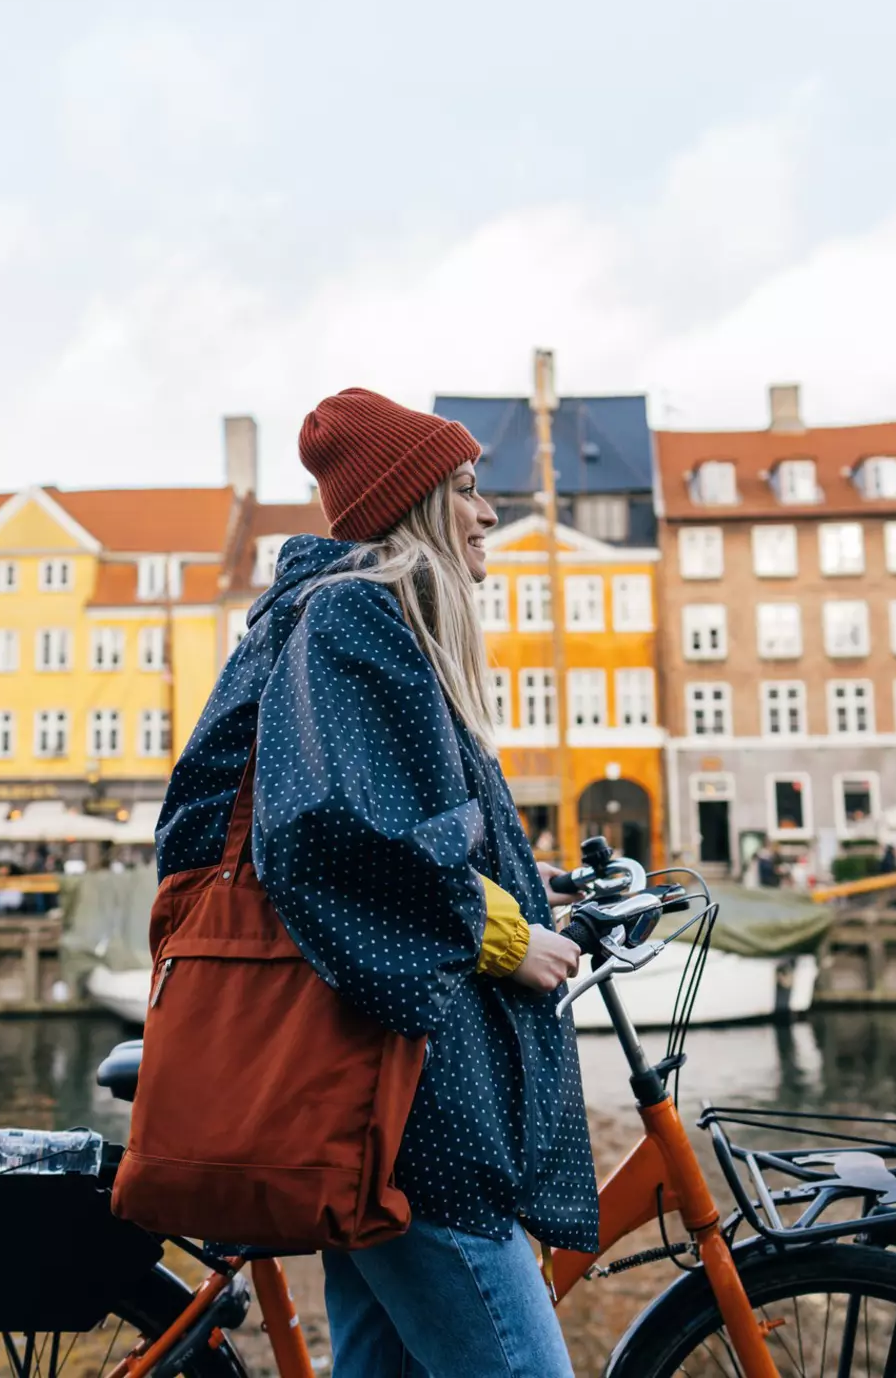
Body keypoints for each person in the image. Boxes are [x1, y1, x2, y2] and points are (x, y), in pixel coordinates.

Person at [155, 389, 594, 1377]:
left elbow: (380, 817)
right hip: (408, 1110)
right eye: (469, 491)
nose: (487, 514)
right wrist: (503, 935)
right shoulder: (357, 614)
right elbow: (330, 832)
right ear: (416, 506)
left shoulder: (342, 617)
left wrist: (528, 889)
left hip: (380, 1107)